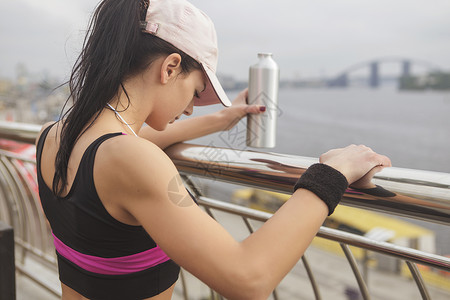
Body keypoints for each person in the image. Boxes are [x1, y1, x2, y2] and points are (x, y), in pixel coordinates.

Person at [35, 0, 391, 299]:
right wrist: (332, 174)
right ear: (171, 67)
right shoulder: (131, 159)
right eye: (195, 91)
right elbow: (248, 278)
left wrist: (222, 119)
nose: (191, 108)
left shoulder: (54, 135)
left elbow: (128, 145)